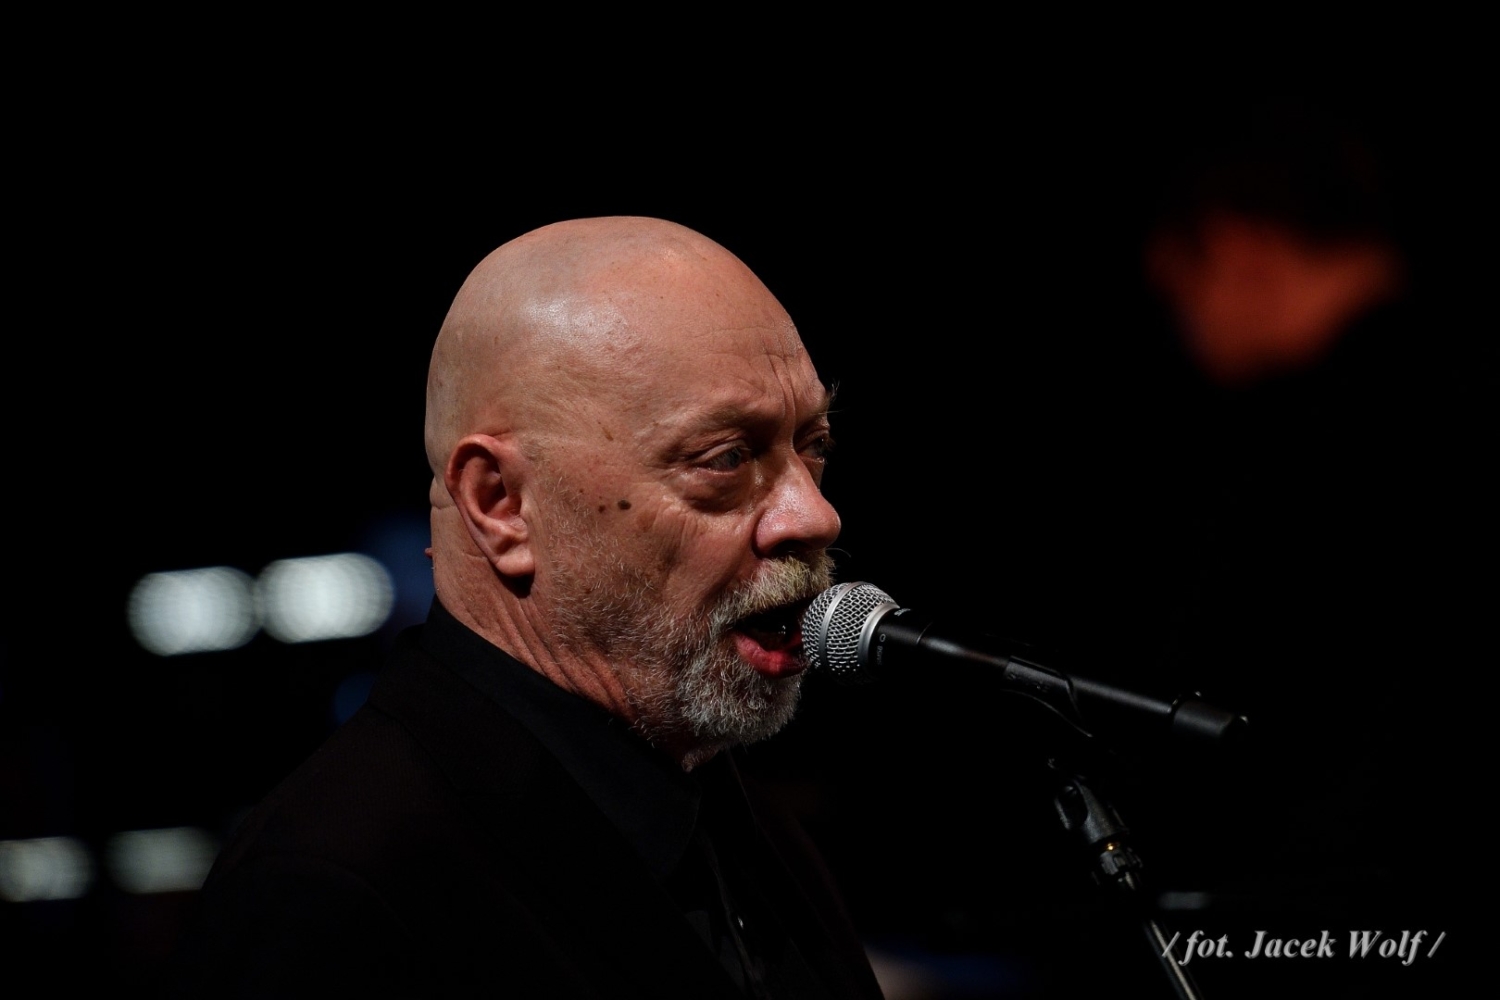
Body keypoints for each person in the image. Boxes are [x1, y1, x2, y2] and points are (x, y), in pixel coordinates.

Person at [169, 217, 885, 999]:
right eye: (727, 458)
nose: (815, 515)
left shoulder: (746, 824)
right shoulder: (333, 892)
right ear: (500, 504)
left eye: (813, 444)